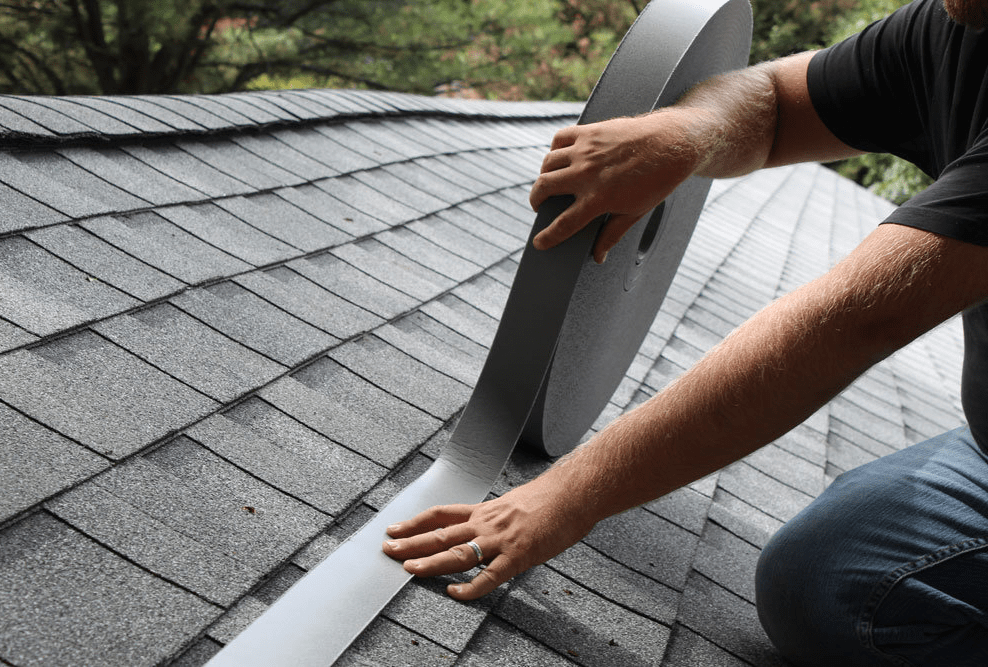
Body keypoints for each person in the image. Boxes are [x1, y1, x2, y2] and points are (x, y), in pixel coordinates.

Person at [383, 0, 988, 663]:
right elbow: (780, 102)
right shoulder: (955, 26)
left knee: (843, 594)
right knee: (827, 569)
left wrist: (566, 495)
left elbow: (855, 317)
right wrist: (692, 130)